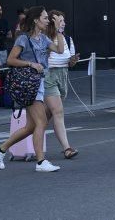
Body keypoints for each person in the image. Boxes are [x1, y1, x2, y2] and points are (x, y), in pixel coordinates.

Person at [0, 6, 68, 172]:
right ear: (35, 20)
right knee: (41, 122)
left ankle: (0, 149)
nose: (48, 20)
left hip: (39, 83)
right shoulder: (23, 39)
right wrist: (30, 63)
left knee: (31, 127)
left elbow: (60, 50)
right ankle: (40, 162)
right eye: (45, 18)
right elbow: (11, 60)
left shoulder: (44, 39)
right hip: (28, 84)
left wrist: (59, 30)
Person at [44, 10, 80, 160]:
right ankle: (67, 148)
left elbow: (69, 60)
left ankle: (20, 142)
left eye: (63, 21)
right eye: (59, 20)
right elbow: (46, 57)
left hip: (63, 75)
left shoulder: (66, 38)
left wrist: (73, 60)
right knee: (58, 112)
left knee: (44, 117)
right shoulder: (45, 38)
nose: (63, 23)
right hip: (49, 76)